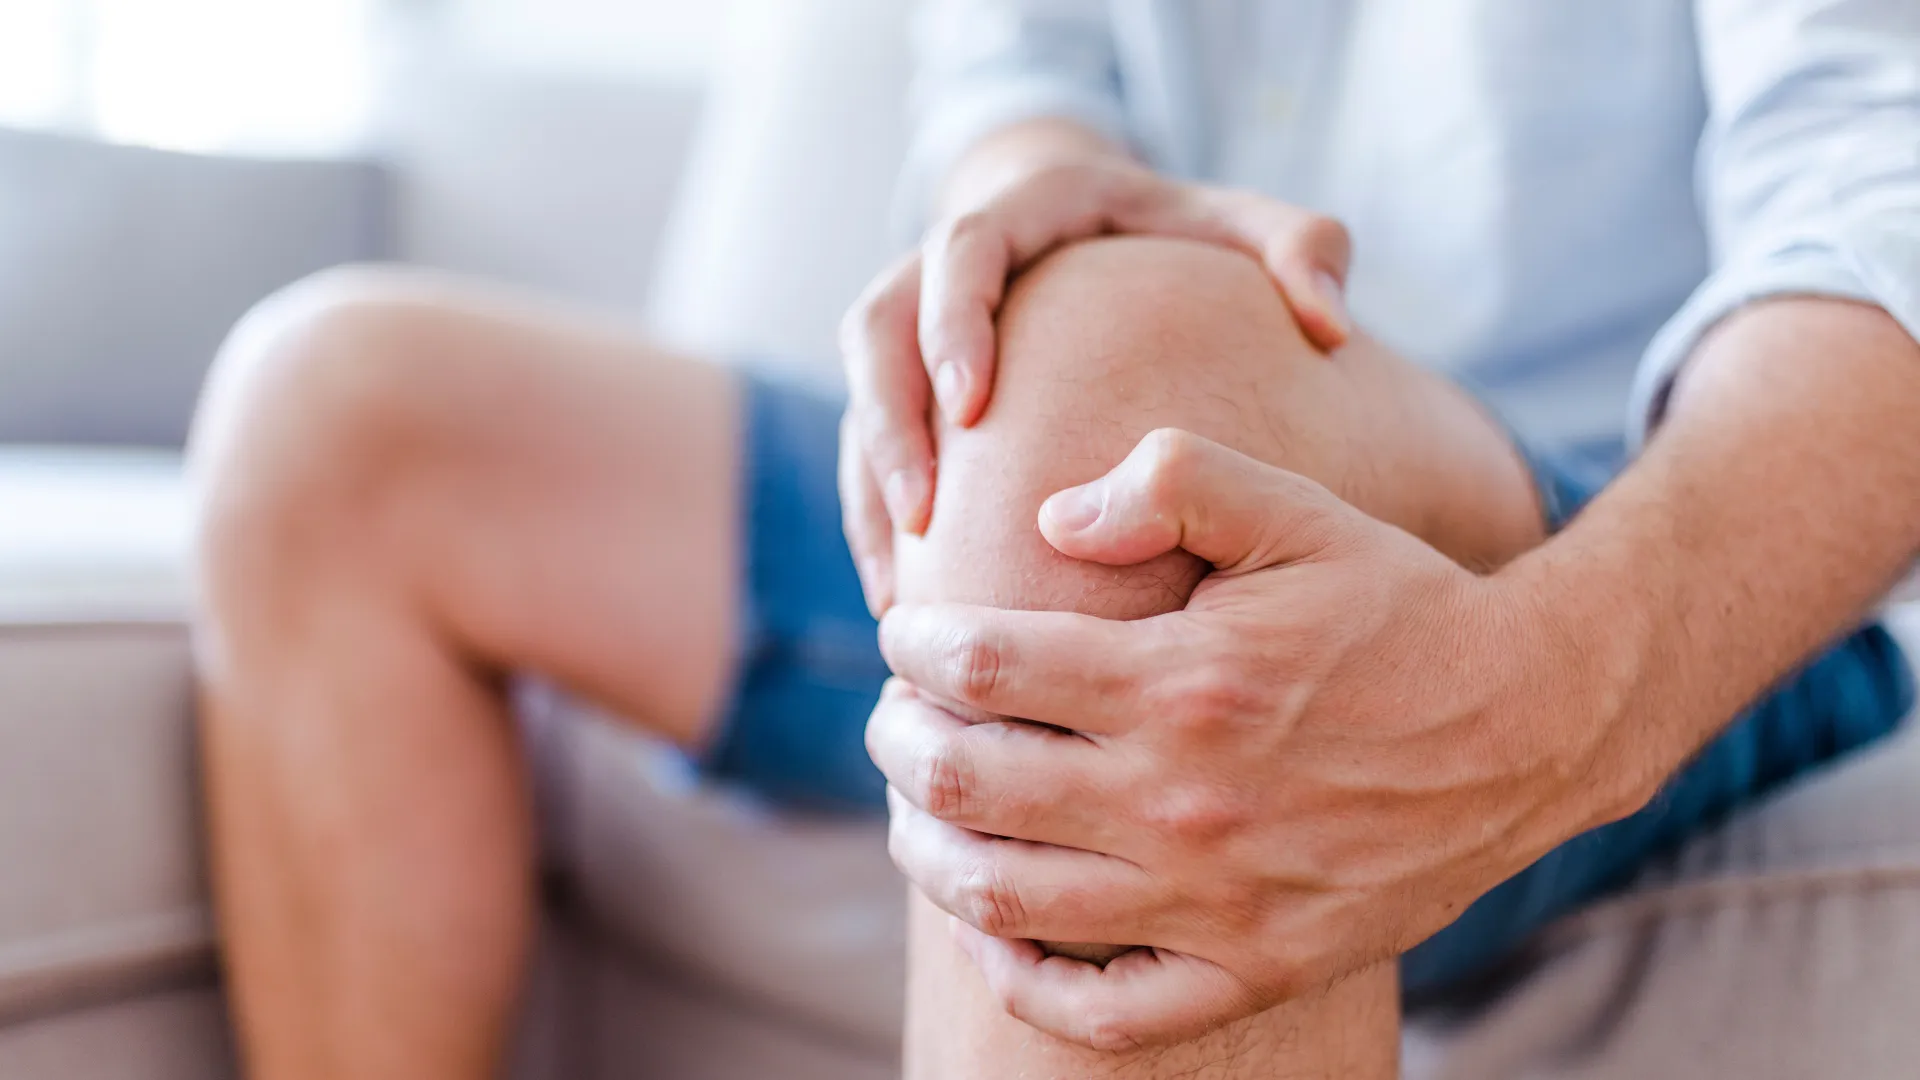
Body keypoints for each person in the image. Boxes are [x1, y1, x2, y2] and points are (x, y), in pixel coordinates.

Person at [183, 3, 1920, 1079]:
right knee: (330, 415)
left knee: (1117, 451)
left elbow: (1882, 219)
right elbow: (1016, 78)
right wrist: (1027, 203)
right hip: (1108, 431)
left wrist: (1552, 684)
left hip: (1642, 523)